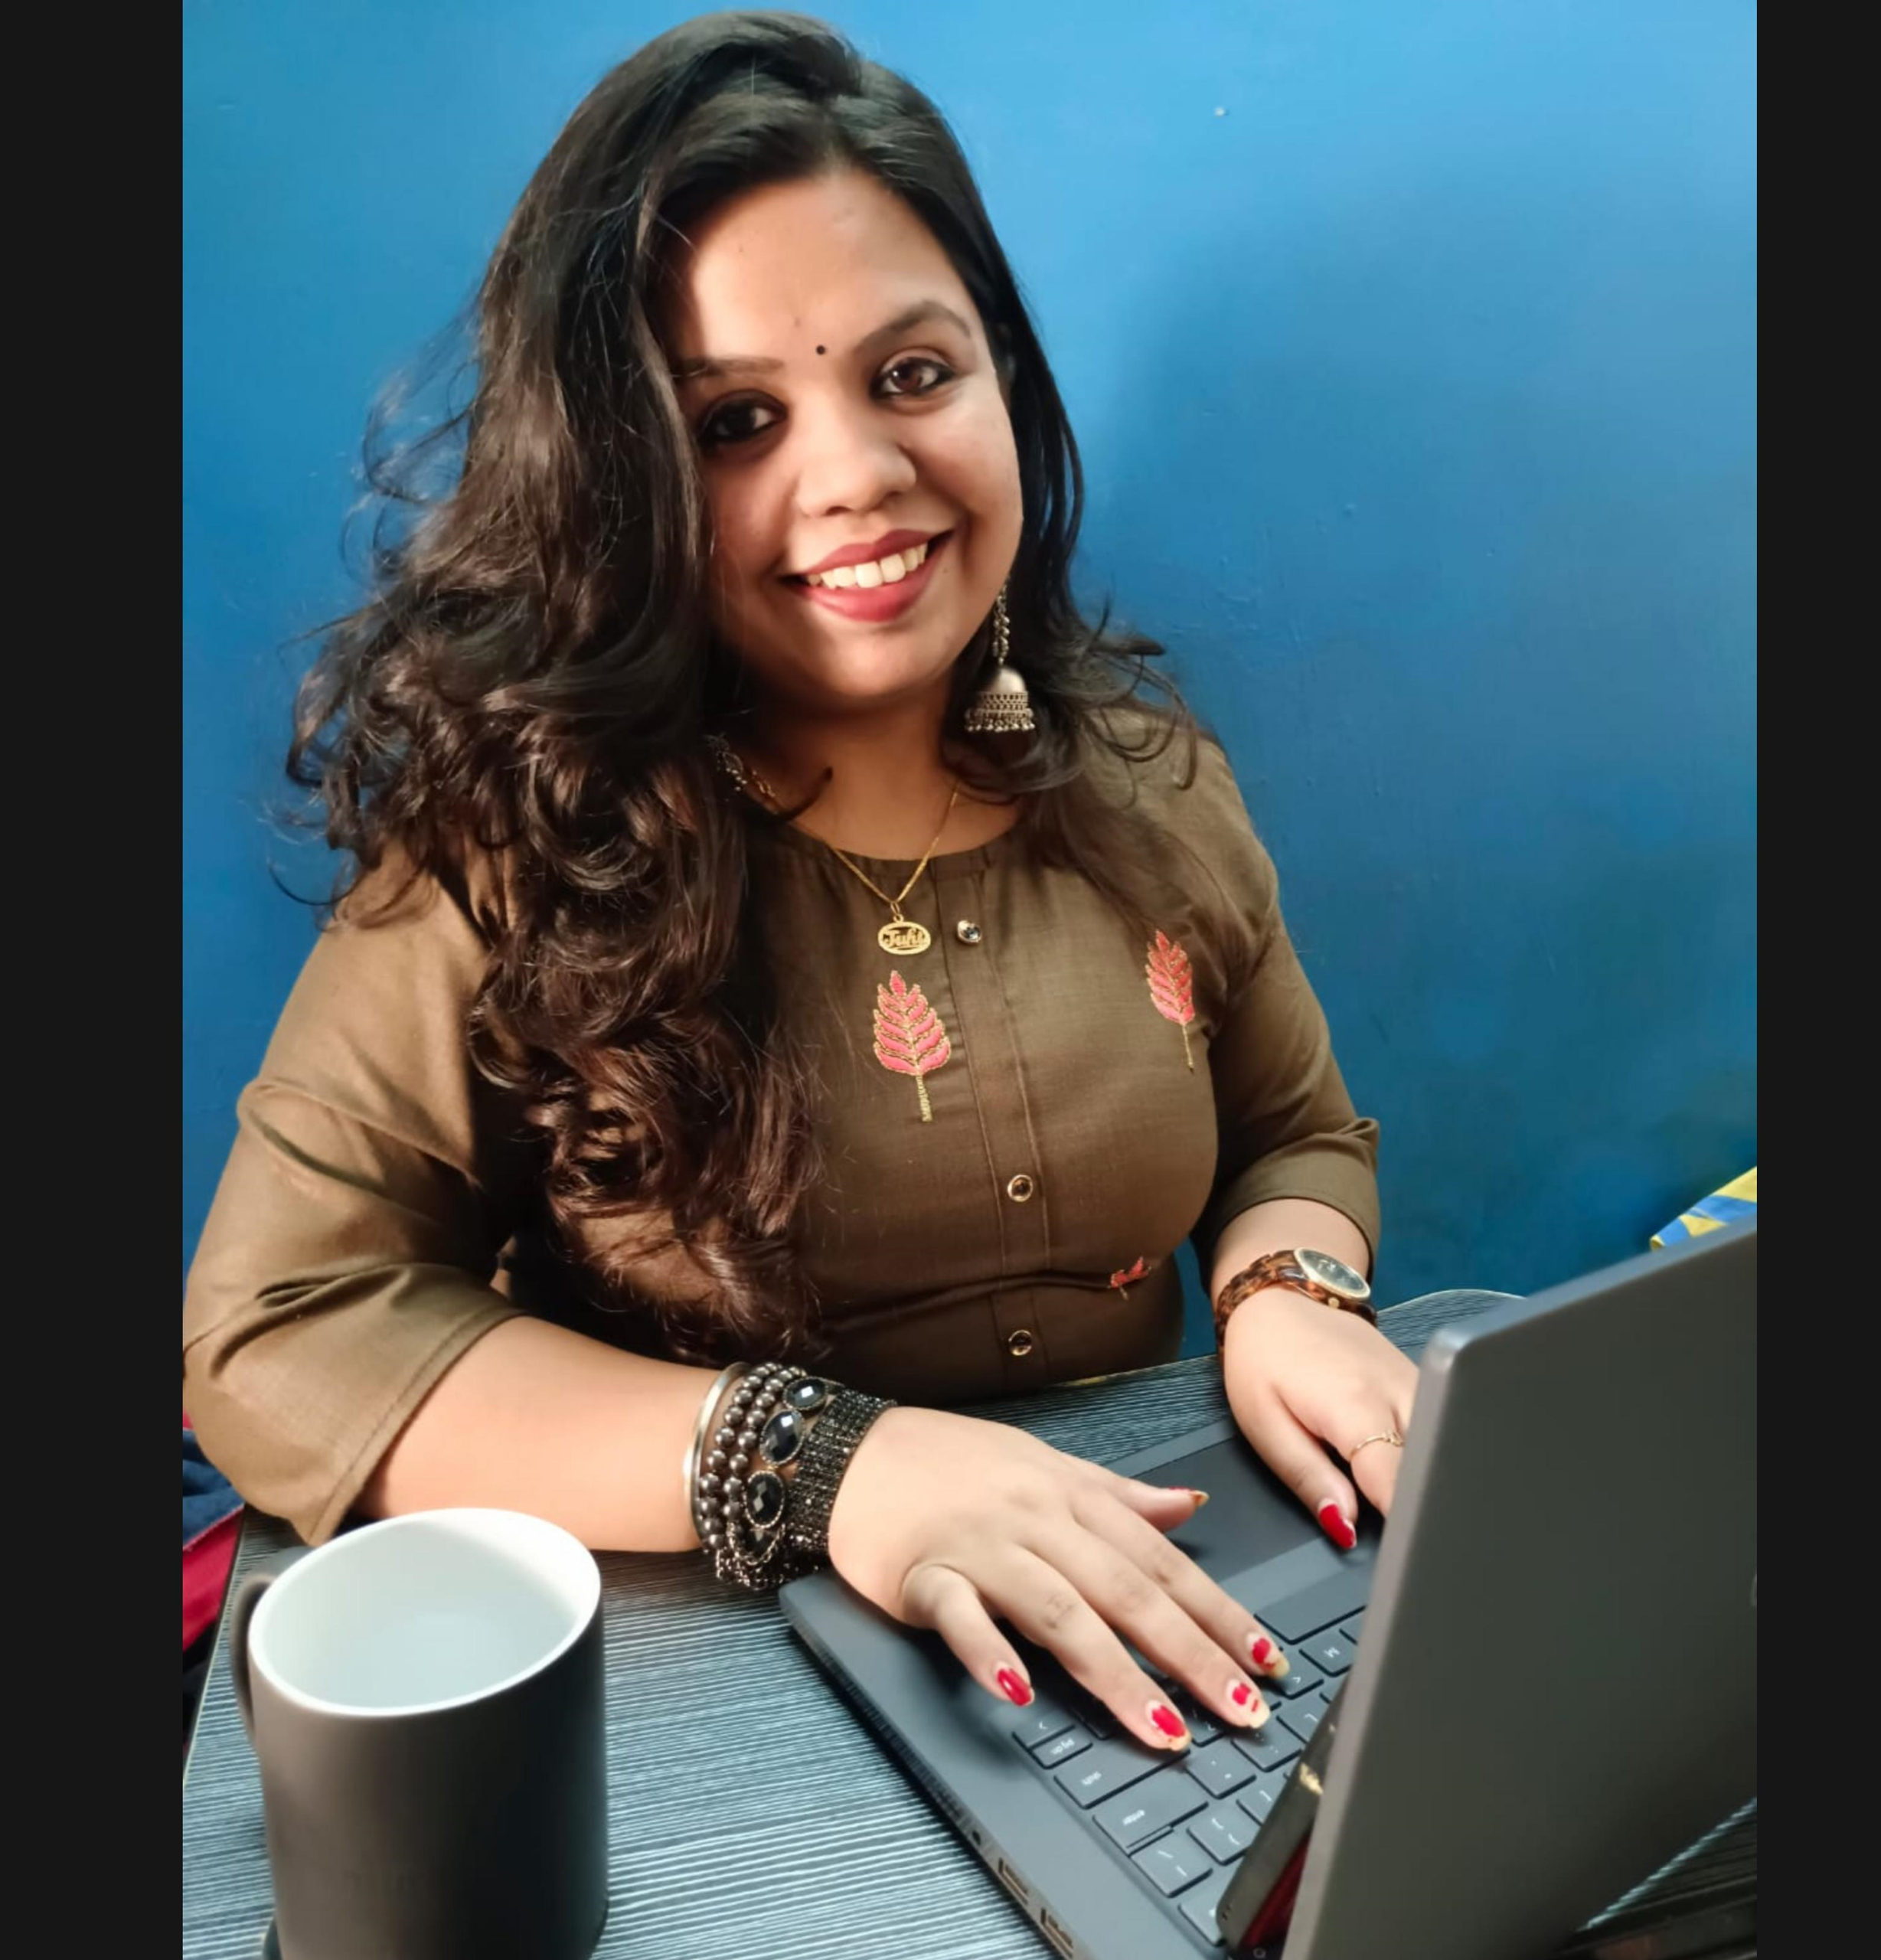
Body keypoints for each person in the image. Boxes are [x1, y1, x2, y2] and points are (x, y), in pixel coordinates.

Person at [183, 11, 1416, 1760]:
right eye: (735, 421)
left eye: (912, 374)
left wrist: (1289, 1291)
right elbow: (278, 1324)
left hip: (1183, 1616)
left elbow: (1296, 1131)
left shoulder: (1156, 785)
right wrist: (821, 1458)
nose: (853, 475)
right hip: (737, 1707)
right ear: (618, 476)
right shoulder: (517, 848)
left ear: (1002, 379)